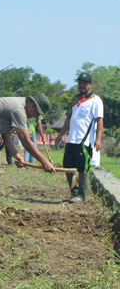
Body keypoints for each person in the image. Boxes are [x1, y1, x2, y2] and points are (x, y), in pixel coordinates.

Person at [54, 72, 104, 202]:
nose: (81, 85)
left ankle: (81, 195)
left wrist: (98, 139)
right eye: (79, 83)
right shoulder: (75, 99)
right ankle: (73, 193)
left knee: (83, 168)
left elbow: (99, 121)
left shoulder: (95, 100)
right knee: (68, 166)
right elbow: (68, 119)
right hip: (71, 140)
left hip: (85, 141)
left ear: (90, 85)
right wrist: (60, 135)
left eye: (84, 83)